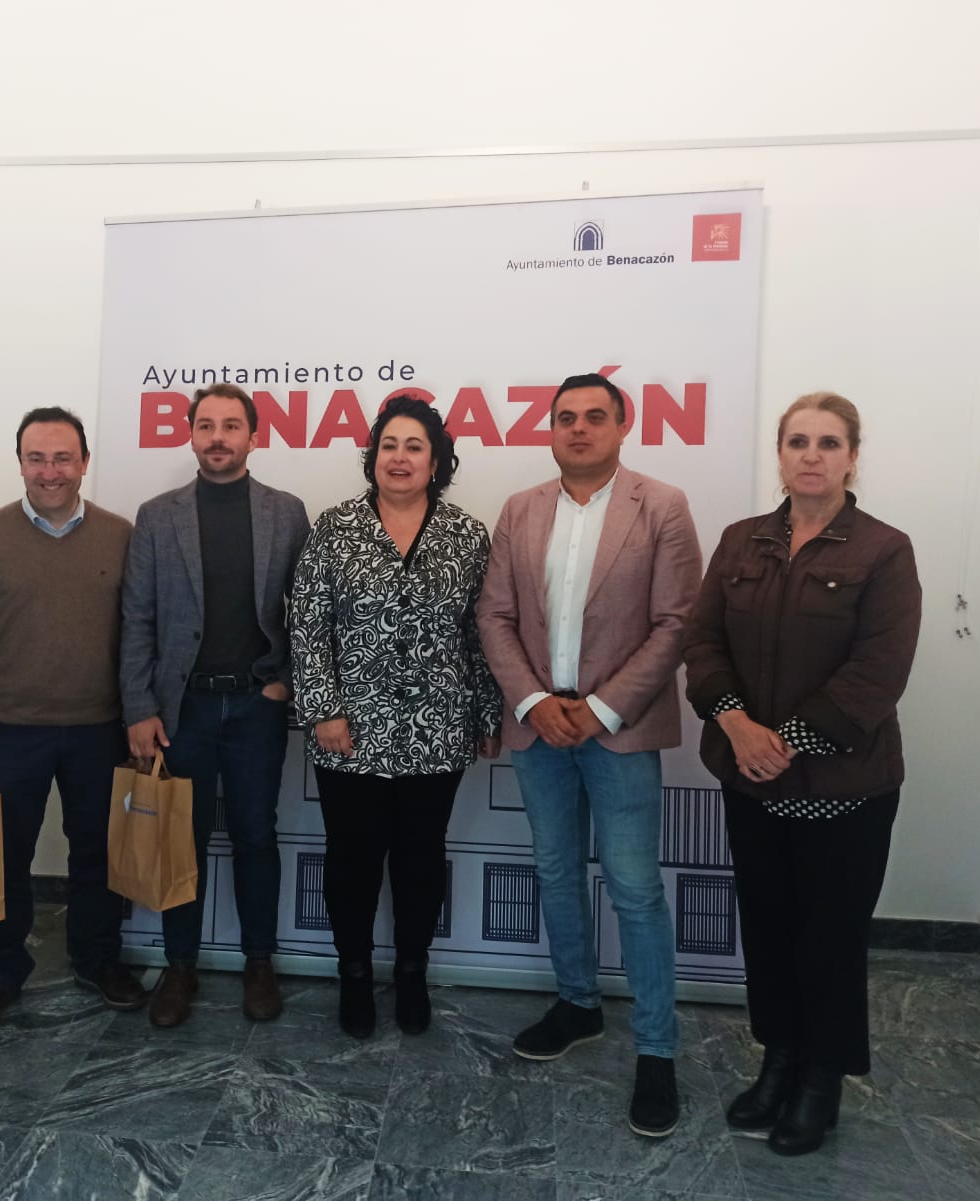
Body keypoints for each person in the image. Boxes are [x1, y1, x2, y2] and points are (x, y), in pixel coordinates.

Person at [682, 391, 920, 1156]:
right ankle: (778, 1059)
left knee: (830, 937)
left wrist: (780, 740)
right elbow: (702, 642)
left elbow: (877, 674)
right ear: (780, 454)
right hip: (752, 782)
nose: (811, 455)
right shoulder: (741, 541)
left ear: (853, 456)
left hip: (844, 789)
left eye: (828, 442)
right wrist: (736, 725)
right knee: (768, 928)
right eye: (797, 441)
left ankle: (822, 1078)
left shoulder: (883, 551)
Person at [477, 372, 701, 1139]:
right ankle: (577, 1002)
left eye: (594, 416)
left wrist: (601, 708)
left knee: (635, 889)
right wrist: (534, 701)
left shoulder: (661, 505)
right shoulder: (520, 508)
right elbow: (495, 615)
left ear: (621, 425)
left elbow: (676, 622)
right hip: (538, 725)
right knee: (555, 870)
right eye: (566, 416)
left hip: (620, 728)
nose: (579, 427)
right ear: (550, 428)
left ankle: (656, 1048)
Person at [290, 394, 502, 1039]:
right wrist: (323, 709)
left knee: (420, 859)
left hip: (438, 730)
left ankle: (412, 972)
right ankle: (354, 974)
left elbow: (482, 633)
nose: (400, 458)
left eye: (415, 447)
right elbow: (307, 626)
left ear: (436, 462)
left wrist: (487, 714)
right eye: (389, 446)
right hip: (348, 732)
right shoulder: (335, 527)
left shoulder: (467, 534)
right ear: (372, 457)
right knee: (351, 861)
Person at [0, 406, 144, 1032]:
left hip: (99, 729)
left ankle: (98, 960)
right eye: (37, 458)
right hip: (6, 730)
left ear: (84, 463)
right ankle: (0, 971)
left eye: (62, 458)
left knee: (99, 856)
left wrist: (139, 714)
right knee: (1, 858)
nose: (50, 471)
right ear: (20, 463)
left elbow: (140, 632)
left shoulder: (121, 535)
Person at [119, 383, 310, 1028]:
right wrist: (139, 707)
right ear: (191, 435)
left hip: (256, 706)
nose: (218, 437)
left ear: (254, 436)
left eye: (232, 426)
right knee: (182, 840)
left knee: (257, 835)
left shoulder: (286, 512)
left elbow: (308, 610)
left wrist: (286, 681)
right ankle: (180, 966)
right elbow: (137, 618)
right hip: (183, 712)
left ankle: (260, 962)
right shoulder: (157, 516)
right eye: (207, 425)